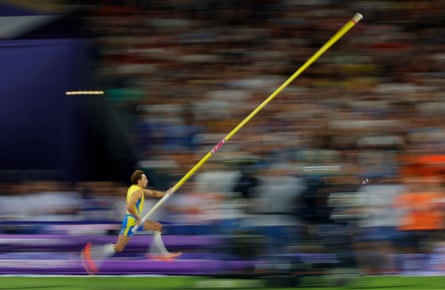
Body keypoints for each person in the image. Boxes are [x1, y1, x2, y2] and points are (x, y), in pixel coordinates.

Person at [81, 169, 181, 274]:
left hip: (131, 220)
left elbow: (153, 193)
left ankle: (158, 252)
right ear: (139, 181)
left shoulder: (137, 189)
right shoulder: (137, 191)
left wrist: (166, 193)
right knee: (121, 246)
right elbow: (129, 207)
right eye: (144, 178)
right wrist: (138, 219)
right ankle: (92, 253)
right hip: (131, 221)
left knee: (120, 247)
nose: (147, 180)